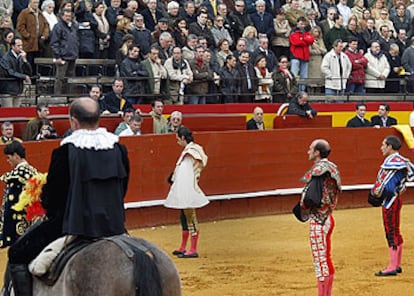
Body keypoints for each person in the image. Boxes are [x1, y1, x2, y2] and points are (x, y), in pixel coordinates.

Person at [7, 97, 130, 296]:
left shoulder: (65, 152)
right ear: (98, 119)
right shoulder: (118, 149)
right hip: (114, 226)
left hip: (73, 226)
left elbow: (52, 200)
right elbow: (123, 188)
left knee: (16, 254)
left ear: (73, 121)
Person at [293, 139, 341, 296]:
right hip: (328, 217)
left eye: (310, 149)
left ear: (317, 153)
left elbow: (311, 198)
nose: (308, 152)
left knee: (320, 262)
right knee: (326, 258)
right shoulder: (332, 167)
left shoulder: (318, 170)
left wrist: (303, 208)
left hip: (318, 220)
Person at [369, 135, 414, 276]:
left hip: (390, 200)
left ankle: (393, 266)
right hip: (396, 199)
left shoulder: (392, 162)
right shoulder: (402, 161)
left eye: (383, 145)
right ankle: (397, 264)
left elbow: (385, 185)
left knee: (391, 231)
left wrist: (379, 194)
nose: (381, 148)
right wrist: (402, 186)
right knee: (395, 230)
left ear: (390, 146)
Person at [164, 126, 209, 258]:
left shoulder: (191, 151)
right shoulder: (190, 151)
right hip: (183, 187)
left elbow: (188, 171)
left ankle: (193, 249)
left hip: (188, 188)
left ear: (183, 138)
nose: (177, 140)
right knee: (184, 217)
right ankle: (184, 247)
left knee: (191, 218)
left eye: (178, 138)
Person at [0, 141, 38, 248]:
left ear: (16, 156)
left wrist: (6, 233)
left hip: (18, 222)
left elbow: (10, 206)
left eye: (8, 157)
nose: (7, 161)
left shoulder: (17, 175)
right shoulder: (32, 170)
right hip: (30, 220)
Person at [50, 9, 79, 95]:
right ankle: (57, 97)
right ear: (62, 16)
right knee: (60, 78)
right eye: (66, 16)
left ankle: (68, 96)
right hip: (62, 57)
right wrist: (57, 56)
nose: (68, 18)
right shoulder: (58, 26)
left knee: (70, 79)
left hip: (72, 56)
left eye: (69, 16)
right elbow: (54, 43)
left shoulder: (74, 26)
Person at [0, 37, 32, 107]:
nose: (21, 47)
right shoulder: (6, 58)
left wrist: (25, 61)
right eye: (18, 46)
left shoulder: (21, 56)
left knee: (17, 112)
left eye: (21, 45)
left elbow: (29, 72)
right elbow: (10, 72)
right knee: (8, 113)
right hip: (8, 90)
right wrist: (24, 76)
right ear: (12, 46)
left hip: (18, 89)